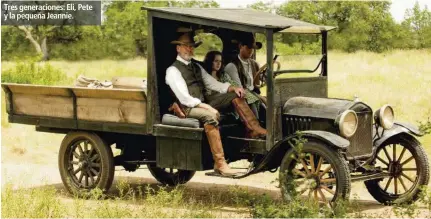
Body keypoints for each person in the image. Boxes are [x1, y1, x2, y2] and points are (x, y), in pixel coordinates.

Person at [165, 28, 267, 176]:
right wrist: (207, 107)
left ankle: (254, 129)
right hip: (186, 108)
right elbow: (184, 98)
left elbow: (212, 84)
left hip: (202, 102)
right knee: (210, 117)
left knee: (235, 96)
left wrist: (232, 87)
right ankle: (220, 164)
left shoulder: (196, 66)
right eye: (186, 46)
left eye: (192, 46)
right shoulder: (173, 70)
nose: (190, 49)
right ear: (178, 48)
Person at [203, 51, 261, 117]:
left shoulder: (223, 75)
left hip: (225, 99)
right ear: (210, 61)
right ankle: (252, 123)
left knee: (246, 94)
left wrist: (243, 91)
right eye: (216, 61)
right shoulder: (204, 75)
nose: (219, 63)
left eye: (220, 61)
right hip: (211, 101)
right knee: (238, 94)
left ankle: (255, 120)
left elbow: (234, 85)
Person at [224, 34, 265, 114]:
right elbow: (239, 89)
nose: (251, 50)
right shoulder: (232, 66)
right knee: (259, 106)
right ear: (240, 46)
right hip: (241, 98)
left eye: (253, 48)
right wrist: (258, 97)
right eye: (248, 47)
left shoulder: (254, 64)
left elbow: (261, 78)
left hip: (254, 94)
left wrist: (268, 77)